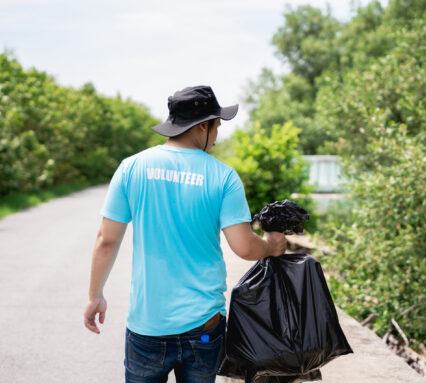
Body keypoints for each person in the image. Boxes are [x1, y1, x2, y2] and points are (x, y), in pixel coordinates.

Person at [83, 85, 287, 383]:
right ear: (202, 126)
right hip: (204, 327)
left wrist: (94, 295)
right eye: (216, 127)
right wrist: (271, 245)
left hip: (148, 326)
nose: (216, 138)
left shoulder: (132, 168)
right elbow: (244, 248)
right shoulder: (223, 177)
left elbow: (106, 241)